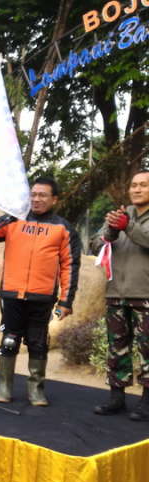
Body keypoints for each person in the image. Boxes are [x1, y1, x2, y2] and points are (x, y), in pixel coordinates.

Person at [0, 176, 81, 406]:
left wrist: (65, 301)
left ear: (54, 199)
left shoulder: (63, 228)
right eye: (33, 194)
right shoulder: (12, 220)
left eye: (42, 195)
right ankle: (4, 387)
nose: (36, 199)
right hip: (12, 294)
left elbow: (70, 266)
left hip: (42, 297)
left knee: (37, 342)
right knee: (9, 341)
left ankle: (36, 389)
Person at [90, 171, 149, 419]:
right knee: (117, 349)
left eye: (143, 185)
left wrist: (129, 227)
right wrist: (111, 232)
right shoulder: (120, 214)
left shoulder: (129, 220)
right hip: (116, 293)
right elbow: (95, 244)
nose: (136, 189)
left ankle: (147, 403)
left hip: (145, 294)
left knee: (148, 350)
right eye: (133, 185)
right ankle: (117, 398)